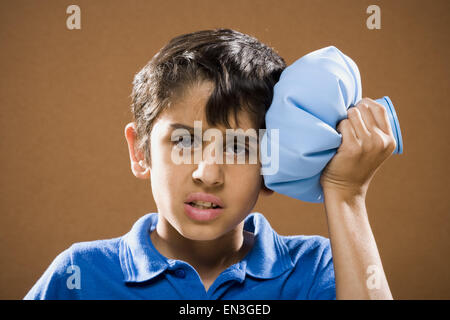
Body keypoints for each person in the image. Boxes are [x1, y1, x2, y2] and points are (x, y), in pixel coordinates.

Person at [24, 28, 394, 300]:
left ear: (271, 161)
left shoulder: (318, 270)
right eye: (184, 141)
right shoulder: (79, 275)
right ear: (140, 151)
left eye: (237, 147)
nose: (207, 174)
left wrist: (347, 195)